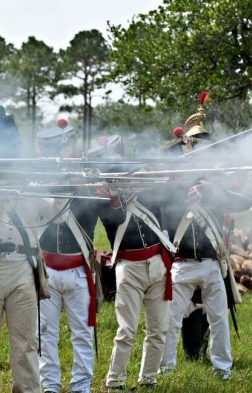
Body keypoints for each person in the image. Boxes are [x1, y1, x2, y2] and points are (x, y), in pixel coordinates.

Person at [159, 94, 252, 380]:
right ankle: (166, 369)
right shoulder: (172, 184)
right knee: (170, 322)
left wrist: (245, 181)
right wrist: (187, 186)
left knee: (218, 320)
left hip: (213, 264)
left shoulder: (215, 184)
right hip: (182, 263)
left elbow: (242, 202)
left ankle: (222, 369)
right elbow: (162, 199)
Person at [0, 117, 69, 393]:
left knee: (26, 344)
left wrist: (60, 182)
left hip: (23, 268)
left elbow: (57, 216)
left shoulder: (31, 180)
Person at [99, 139, 176, 390]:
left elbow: (169, 188)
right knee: (126, 331)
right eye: (120, 177)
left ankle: (149, 378)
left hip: (157, 264)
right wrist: (116, 194)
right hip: (129, 270)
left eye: (128, 175)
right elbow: (117, 217)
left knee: (158, 330)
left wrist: (155, 169)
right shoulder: (107, 204)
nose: (125, 180)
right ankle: (115, 380)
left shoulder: (148, 191)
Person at [36, 121, 106, 393]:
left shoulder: (88, 175)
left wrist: (85, 186)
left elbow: (107, 214)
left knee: (83, 333)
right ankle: (50, 386)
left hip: (79, 270)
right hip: (46, 271)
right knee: (46, 334)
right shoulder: (37, 179)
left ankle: (81, 386)